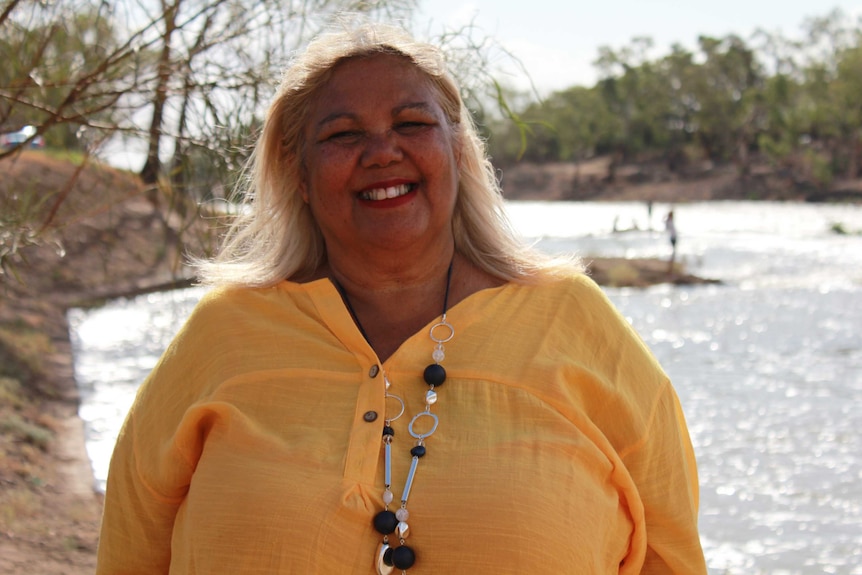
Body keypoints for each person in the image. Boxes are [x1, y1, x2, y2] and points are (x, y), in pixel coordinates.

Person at [96, 22, 707, 574]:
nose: (383, 151)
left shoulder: (573, 322)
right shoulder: (223, 334)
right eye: (342, 133)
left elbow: (670, 557)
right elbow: (131, 553)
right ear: (297, 171)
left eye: (412, 125)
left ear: (458, 152)